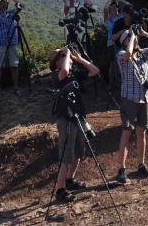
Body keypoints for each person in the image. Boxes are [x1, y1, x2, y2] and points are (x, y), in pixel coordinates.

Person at [49, 46, 100, 203]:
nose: (67, 58)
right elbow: (63, 72)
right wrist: (68, 54)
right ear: (57, 61)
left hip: (78, 118)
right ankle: (60, 189)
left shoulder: (74, 75)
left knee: (79, 152)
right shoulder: (57, 76)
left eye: (65, 56)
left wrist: (78, 59)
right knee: (66, 156)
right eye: (62, 56)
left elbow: (95, 70)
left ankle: (70, 180)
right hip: (66, 120)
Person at [115, 27, 148, 183]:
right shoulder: (121, 54)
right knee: (126, 131)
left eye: (133, 37)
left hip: (145, 98)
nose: (133, 38)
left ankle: (141, 164)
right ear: (124, 42)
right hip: (129, 98)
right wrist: (132, 37)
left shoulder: (143, 53)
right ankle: (122, 169)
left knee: (141, 132)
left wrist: (144, 33)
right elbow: (128, 54)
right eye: (129, 37)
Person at [0, 0, 24, 94]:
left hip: (12, 43)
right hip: (0, 43)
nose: (3, 4)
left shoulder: (11, 13)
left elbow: (22, 5)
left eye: (5, 3)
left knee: (14, 65)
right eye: (2, 3)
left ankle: (16, 87)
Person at [103, 0, 131, 91]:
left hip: (122, 43)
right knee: (113, 65)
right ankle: (112, 84)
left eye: (115, 8)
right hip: (111, 44)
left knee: (119, 65)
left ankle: (119, 84)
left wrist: (119, 0)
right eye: (112, 8)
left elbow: (130, 6)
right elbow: (105, 9)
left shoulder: (121, 17)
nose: (113, 9)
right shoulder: (108, 20)